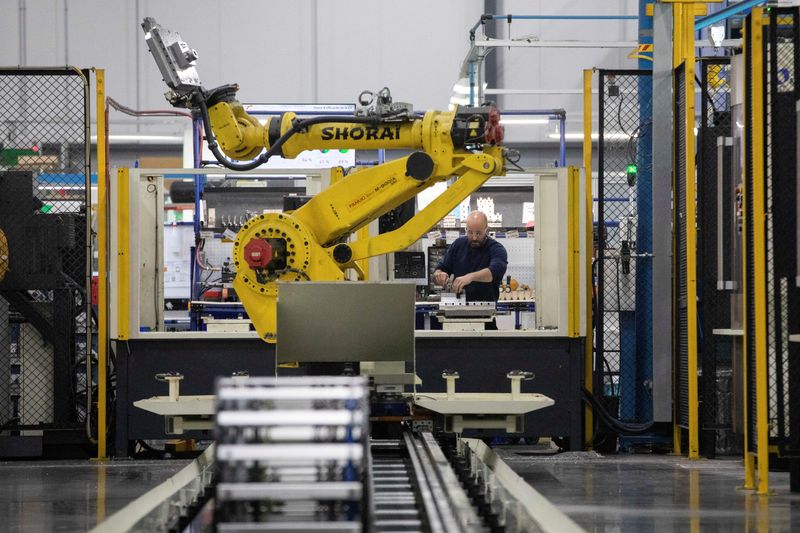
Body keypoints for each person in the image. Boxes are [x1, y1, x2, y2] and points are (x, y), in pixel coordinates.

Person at [432, 211, 508, 328]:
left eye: (478, 233)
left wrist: (470, 277)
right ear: (466, 229)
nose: (474, 237)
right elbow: (441, 269)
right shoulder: (458, 245)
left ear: (486, 229)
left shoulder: (497, 249)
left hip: (485, 317)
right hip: (455, 315)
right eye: (470, 232)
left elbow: (494, 272)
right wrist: (439, 275)